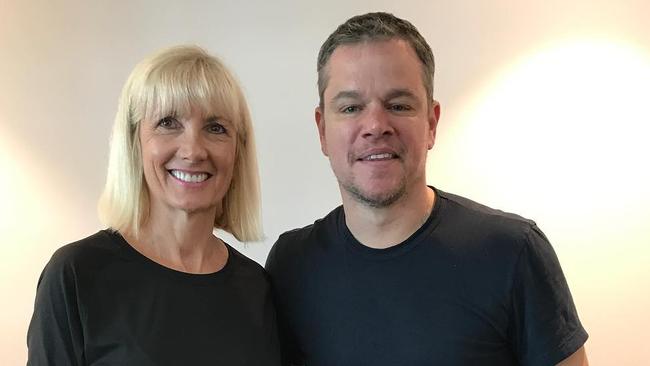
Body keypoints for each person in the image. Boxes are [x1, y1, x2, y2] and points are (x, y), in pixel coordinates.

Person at [265, 12, 588, 366]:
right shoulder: (291, 265)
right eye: (351, 107)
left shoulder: (513, 253)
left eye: (399, 105)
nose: (375, 125)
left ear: (431, 123)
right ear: (322, 129)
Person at [27, 45, 281, 365]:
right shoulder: (76, 274)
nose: (192, 151)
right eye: (168, 122)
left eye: (216, 128)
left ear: (237, 151)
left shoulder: (257, 288)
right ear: (135, 143)